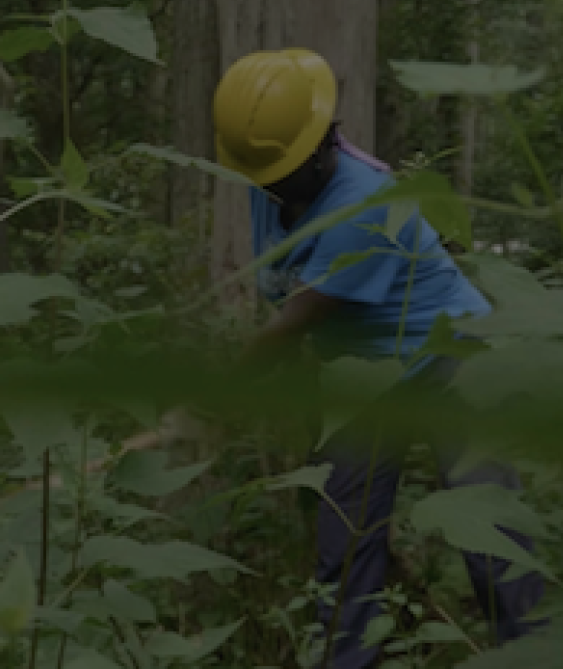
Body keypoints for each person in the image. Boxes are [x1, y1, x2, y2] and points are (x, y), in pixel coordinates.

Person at [210, 48, 545, 669]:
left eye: (279, 170)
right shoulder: (271, 178)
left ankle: (534, 656)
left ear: (321, 146)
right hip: (363, 376)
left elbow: (290, 327)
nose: (268, 184)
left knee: (489, 534)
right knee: (345, 545)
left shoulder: (362, 206)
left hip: (450, 358)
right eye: (262, 173)